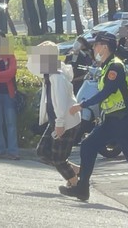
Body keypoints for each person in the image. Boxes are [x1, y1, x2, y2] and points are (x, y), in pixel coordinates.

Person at [60, 31, 128, 215]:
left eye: (96, 45)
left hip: (125, 119)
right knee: (88, 145)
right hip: (113, 118)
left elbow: (108, 91)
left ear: (104, 47)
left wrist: (82, 105)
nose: (93, 49)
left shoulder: (115, 66)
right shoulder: (106, 65)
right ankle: (82, 188)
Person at [28, 42, 82, 188]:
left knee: (58, 159)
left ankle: (75, 184)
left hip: (65, 122)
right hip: (57, 120)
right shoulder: (49, 72)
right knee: (42, 152)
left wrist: (60, 124)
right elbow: (30, 66)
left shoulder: (56, 76)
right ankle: (76, 171)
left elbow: (61, 103)